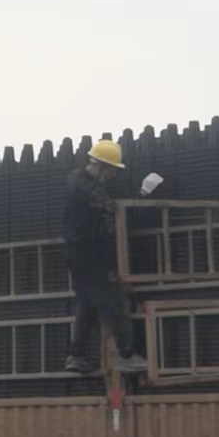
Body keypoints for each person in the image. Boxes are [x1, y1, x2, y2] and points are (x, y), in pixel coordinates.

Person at [62, 139, 147, 375]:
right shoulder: (89, 189)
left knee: (87, 304)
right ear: (101, 166)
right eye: (111, 171)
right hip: (90, 254)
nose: (112, 177)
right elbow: (114, 209)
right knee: (112, 302)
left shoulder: (73, 179)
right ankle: (126, 355)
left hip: (75, 253)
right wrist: (142, 194)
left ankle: (76, 355)